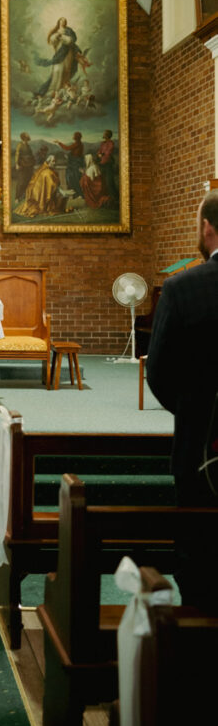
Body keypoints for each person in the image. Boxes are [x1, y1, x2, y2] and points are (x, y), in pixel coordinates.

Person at [146, 190, 218, 612]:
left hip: (201, 448)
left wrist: (196, 411)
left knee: (200, 553)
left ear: (206, 227)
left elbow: (158, 370)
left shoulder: (182, 287)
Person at [14, 155, 71, 219]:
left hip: (38, 193)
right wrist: (62, 192)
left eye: (55, 161)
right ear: (48, 162)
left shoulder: (46, 169)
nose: (54, 163)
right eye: (53, 161)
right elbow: (53, 185)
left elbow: (54, 185)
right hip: (37, 196)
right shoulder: (47, 172)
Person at [56, 131, 84, 197]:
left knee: (72, 178)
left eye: (74, 135)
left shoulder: (77, 143)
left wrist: (59, 143)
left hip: (74, 164)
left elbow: (67, 148)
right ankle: (76, 193)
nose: (73, 136)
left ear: (76, 137)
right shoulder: (80, 144)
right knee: (74, 177)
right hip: (75, 163)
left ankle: (76, 193)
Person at [97, 129, 118, 201]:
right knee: (102, 180)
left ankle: (114, 197)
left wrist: (102, 154)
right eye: (104, 133)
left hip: (108, 163)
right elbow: (99, 151)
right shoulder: (102, 143)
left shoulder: (111, 143)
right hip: (102, 163)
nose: (103, 135)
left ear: (108, 135)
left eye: (105, 134)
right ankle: (105, 197)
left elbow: (108, 152)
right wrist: (99, 154)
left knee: (109, 181)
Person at [14, 132, 35, 202]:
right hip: (22, 165)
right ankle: (17, 197)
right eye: (26, 138)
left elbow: (31, 155)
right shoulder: (20, 145)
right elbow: (17, 154)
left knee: (28, 180)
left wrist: (33, 163)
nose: (27, 139)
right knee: (21, 181)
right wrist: (17, 164)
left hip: (29, 165)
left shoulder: (28, 146)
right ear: (24, 138)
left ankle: (25, 196)